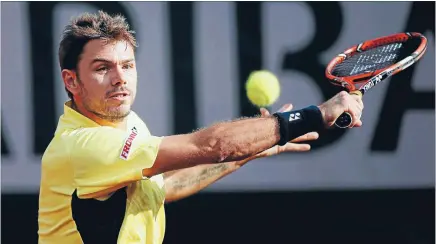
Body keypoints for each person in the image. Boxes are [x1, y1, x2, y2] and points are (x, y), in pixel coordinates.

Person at [37, 11, 364, 244]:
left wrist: (249, 151)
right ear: (71, 81)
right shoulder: (83, 145)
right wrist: (315, 114)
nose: (120, 77)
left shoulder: (124, 122)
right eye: (102, 68)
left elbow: (164, 188)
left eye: (127, 65)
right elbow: (212, 145)